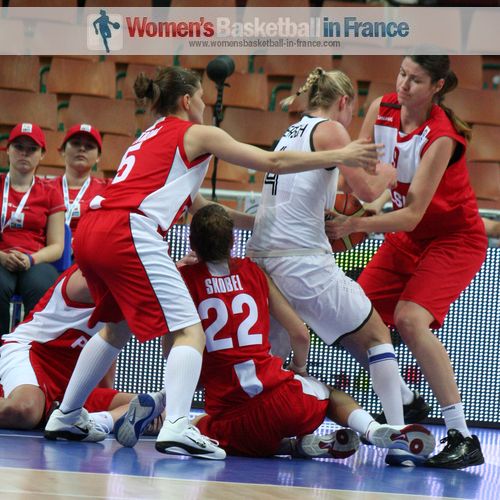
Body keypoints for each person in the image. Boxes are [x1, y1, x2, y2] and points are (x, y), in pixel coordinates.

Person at [43, 65, 382, 460]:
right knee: (191, 332)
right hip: (128, 229)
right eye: (202, 97)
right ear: (187, 101)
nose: (205, 103)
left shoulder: (148, 138)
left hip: (91, 228)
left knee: (114, 329)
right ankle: (178, 425)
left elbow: (202, 207)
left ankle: (66, 415)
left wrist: (261, 221)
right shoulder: (197, 132)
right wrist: (342, 153)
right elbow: (271, 161)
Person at [114, 204, 435, 460]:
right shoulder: (255, 272)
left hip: (229, 411)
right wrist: (297, 369)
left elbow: (174, 354)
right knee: (330, 395)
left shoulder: (184, 281)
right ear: (232, 241)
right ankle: (373, 430)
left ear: (192, 243)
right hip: (280, 398)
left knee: (201, 424)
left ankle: (159, 406)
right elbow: (300, 333)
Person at [246, 67, 430, 467]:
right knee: (377, 335)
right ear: (343, 103)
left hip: (261, 262)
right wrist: (395, 168)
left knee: (278, 370)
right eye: (352, 111)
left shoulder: (292, 131)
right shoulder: (330, 128)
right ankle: (399, 433)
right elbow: (365, 189)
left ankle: (277, 435)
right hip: (301, 261)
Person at [327, 56, 487, 469]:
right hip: (406, 237)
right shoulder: (381, 110)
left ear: (437, 86)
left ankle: (461, 436)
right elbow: (371, 184)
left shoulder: (442, 137)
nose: (404, 84)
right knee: (352, 314)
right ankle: (404, 398)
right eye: (401, 74)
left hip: (452, 239)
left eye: (415, 80)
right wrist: (343, 167)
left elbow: (412, 213)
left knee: (411, 320)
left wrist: (354, 223)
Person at [0, 264, 165, 436]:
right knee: (25, 410)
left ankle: (92, 421)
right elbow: (139, 286)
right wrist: (176, 275)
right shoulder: (86, 277)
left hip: (73, 380)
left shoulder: (131, 284)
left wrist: (107, 395)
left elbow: (111, 342)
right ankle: (68, 419)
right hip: (34, 353)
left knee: (154, 409)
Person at [0, 123, 65, 335]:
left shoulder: (51, 192)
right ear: (8, 149)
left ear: (42, 154)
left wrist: (31, 259)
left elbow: (57, 246)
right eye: (19, 147)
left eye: (32, 149)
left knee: (43, 285)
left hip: (35, 260)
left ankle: (30, 352)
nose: (24, 153)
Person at [51, 123, 108, 236]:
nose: (82, 149)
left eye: (89, 146)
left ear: (98, 157)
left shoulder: (108, 189)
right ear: (62, 150)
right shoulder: (45, 188)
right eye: (76, 143)